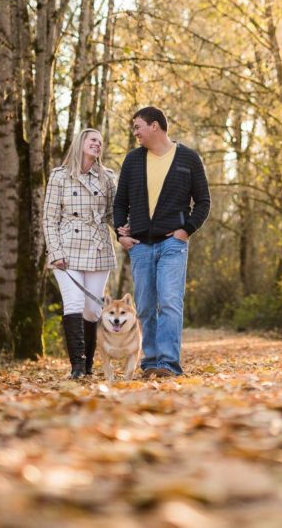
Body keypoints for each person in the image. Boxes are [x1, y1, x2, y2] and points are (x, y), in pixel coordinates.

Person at [113, 106, 210, 378]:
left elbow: (203, 202)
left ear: (154, 126)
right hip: (141, 245)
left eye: (137, 127)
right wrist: (121, 234)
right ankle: (151, 361)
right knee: (144, 305)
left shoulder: (189, 158)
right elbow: (120, 202)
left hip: (173, 244)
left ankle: (168, 364)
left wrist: (186, 230)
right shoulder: (133, 161)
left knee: (169, 301)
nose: (135, 133)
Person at [43, 128, 117, 379]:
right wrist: (54, 251)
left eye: (100, 141)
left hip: (98, 248)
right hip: (66, 248)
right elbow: (49, 218)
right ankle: (76, 365)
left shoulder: (107, 177)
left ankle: (87, 366)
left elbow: (113, 215)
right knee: (73, 302)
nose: (97, 144)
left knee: (93, 311)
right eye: (92, 139)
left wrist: (127, 229)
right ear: (81, 143)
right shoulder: (60, 176)